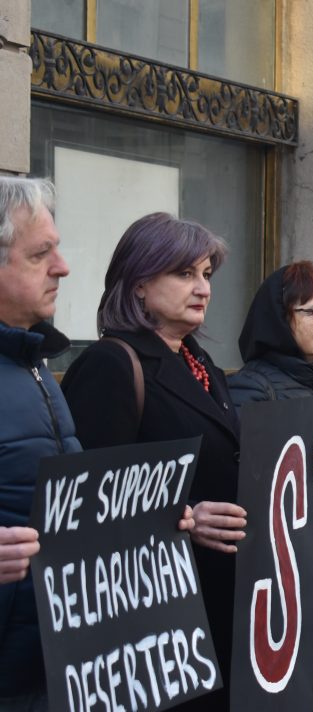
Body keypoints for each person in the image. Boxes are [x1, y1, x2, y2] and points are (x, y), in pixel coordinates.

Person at [61, 213, 246, 712]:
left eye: (207, 274)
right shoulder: (111, 365)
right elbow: (90, 505)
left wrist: (294, 474)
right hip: (155, 628)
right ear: (140, 284)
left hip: (218, 607)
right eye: (184, 274)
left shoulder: (202, 363)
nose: (203, 288)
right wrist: (186, 517)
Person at [226, 261, 313, 700]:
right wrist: (303, 502)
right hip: (287, 588)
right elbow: (241, 489)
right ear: (281, 320)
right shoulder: (253, 389)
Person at [0, 177, 80, 710]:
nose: (63, 266)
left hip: (47, 666)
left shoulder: (37, 368)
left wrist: (166, 518)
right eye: (40, 253)